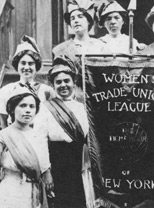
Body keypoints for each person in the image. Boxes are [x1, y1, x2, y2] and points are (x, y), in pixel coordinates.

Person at [34, 55, 90, 208]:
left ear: (74, 82)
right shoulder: (45, 108)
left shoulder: (82, 107)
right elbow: (40, 141)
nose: (63, 85)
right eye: (58, 82)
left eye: (67, 81)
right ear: (52, 85)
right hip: (57, 164)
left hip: (79, 163)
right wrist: (47, 172)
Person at [0, 88, 49, 208]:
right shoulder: (4, 136)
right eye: (22, 105)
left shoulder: (39, 135)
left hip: (34, 191)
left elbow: (44, 166)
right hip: (11, 190)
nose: (27, 110)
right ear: (12, 109)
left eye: (32, 107)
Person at [53, 0, 105, 102]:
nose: (76, 21)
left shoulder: (101, 46)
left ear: (89, 21)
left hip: (98, 97)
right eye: (72, 18)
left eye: (80, 17)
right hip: (72, 98)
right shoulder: (61, 50)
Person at [0, 35, 55, 129]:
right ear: (17, 65)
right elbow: (4, 124)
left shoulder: (46, 91)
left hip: (39, 138)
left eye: (30, 64)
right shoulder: (6, 90)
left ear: (36, 66)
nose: (26, 67)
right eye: (23, 63)